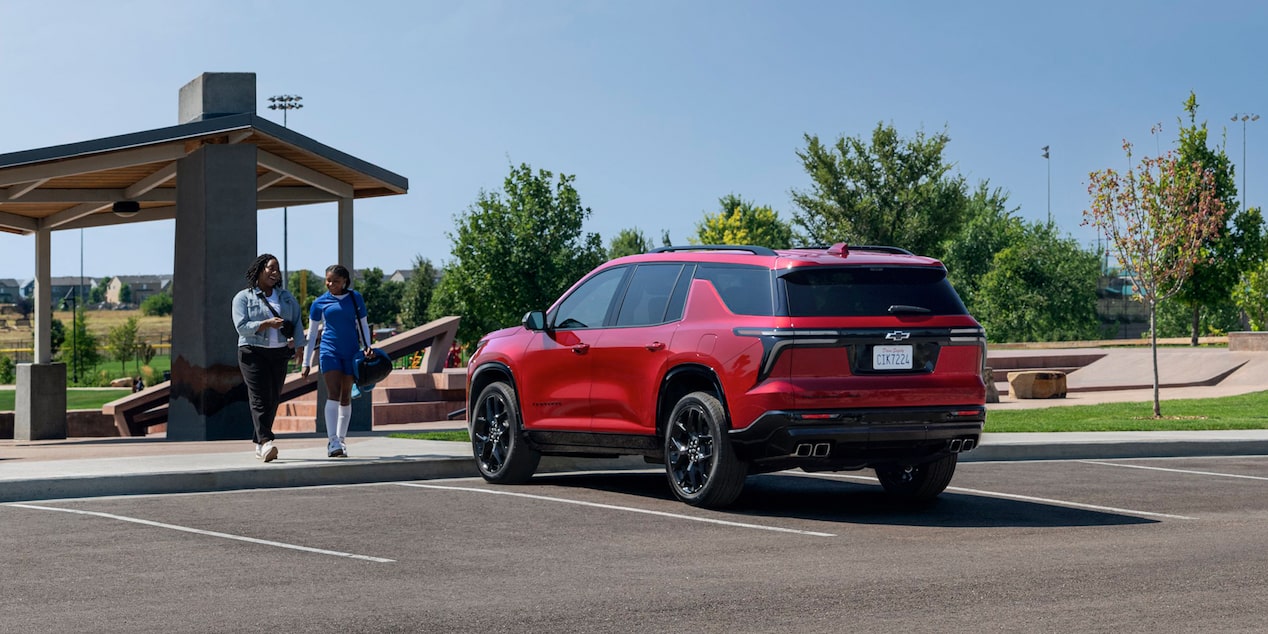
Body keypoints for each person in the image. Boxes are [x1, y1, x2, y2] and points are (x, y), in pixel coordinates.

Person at [231, 254, 305, 463]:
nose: (275, 273)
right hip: (252, 351)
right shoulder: (243, 298)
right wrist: (265, 324)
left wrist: (299, 346)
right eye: (270, 268)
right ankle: (266, 442)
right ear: (259, 270)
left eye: (277, 269)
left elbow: (297, 321)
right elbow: (242, 327)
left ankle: (259, 443)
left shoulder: (286, 297)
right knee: (259, 397)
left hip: (279, 352)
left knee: (272, 398)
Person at [301, 264, 375, 458]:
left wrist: (368, 345)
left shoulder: (355, 298)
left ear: (345, 281)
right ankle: (332, 441)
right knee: (333, 393)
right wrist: (306, 362)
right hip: (329, 351)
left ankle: (342, 440)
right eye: (328, 280)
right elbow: (312, 334)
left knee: (346, 396)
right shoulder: (319, 303)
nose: (330, 284)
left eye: (335, 281)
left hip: (351, 352)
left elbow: (363, 325)